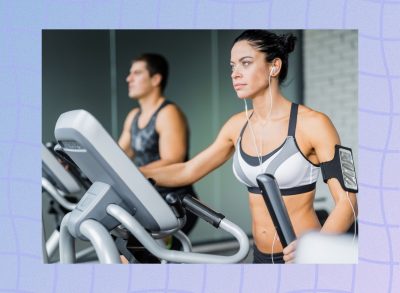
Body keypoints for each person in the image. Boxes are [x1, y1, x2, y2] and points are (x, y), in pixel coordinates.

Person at [142, 30, 358, 264]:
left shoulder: (313, 124)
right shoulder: (237, 126)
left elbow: (348, 202)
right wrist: (133, 174)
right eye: (232, 66)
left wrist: (316, 249)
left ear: (274, 67)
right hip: (260, 256)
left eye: (245, 63)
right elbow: (187, 171)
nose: (235, 73)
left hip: (303, 256)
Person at [118, 53, 198, 262]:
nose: (128, 79)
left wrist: (134, 173)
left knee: (149, 260)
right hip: (148, 200)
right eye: (129, 74)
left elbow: (173, 160)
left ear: (155, 79)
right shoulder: (133, 116)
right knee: (127, 255)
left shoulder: (168, 113)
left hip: (174, 203)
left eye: (136, 73)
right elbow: (118, 156)